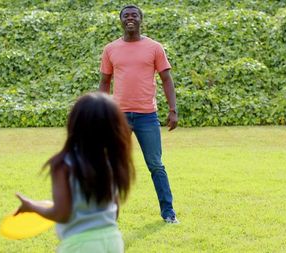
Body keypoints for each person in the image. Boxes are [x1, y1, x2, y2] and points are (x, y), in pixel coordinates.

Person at [15, 92, 135, 252]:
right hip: (112, 240)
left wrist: (31, 206)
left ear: (75, 123)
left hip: (80, 245)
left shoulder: (63, 165)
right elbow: (115, 209)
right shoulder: (110, 162)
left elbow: (62, 213)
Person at [99, 5, 179, 224]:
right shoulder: (111, 49)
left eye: (134, 15)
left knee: (155, 165)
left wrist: (173, 110)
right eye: (126, 16)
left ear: (141, 20)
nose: (130, 18)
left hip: (147, 117)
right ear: (121, 21)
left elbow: (166, 79)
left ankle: (168, 212)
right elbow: (105, 82)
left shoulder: (154, 47)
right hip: (119, 117)